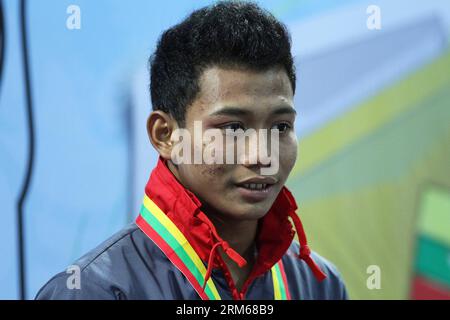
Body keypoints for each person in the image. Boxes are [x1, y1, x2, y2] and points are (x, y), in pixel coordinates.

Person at [36, 1, 348, 300]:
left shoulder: (320, 284)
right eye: (233, 129)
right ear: (166, 135)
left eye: (280, 127)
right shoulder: (93, 292)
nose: (263, 157)